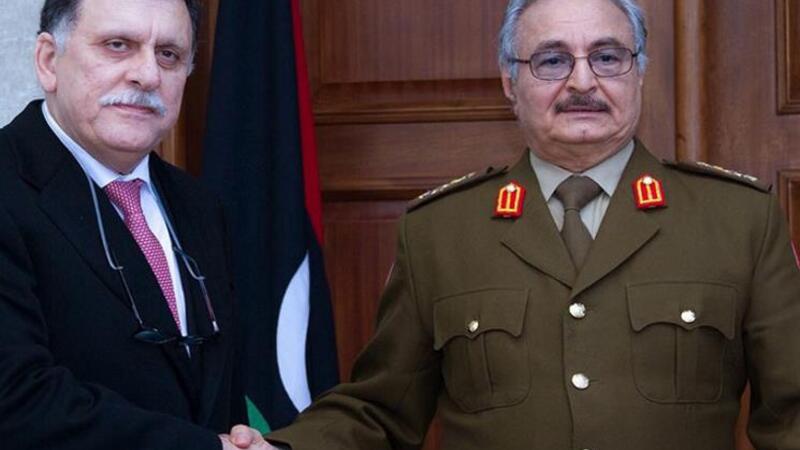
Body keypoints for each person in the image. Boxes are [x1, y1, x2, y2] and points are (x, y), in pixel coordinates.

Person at [264, 0, 800, 448]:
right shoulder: (439, 232)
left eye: (607, 57)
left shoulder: (740, 221)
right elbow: (383, 411)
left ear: (639, 71)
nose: (583, 81)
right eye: (552, 60)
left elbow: (791, 415)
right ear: (509, 81)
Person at [0, 0, 268, 449]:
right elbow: (15, 401)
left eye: (169, 54)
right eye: (118, 45)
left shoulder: (201, 207)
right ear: (48, 61)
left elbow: (216, 395)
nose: (147, 75)